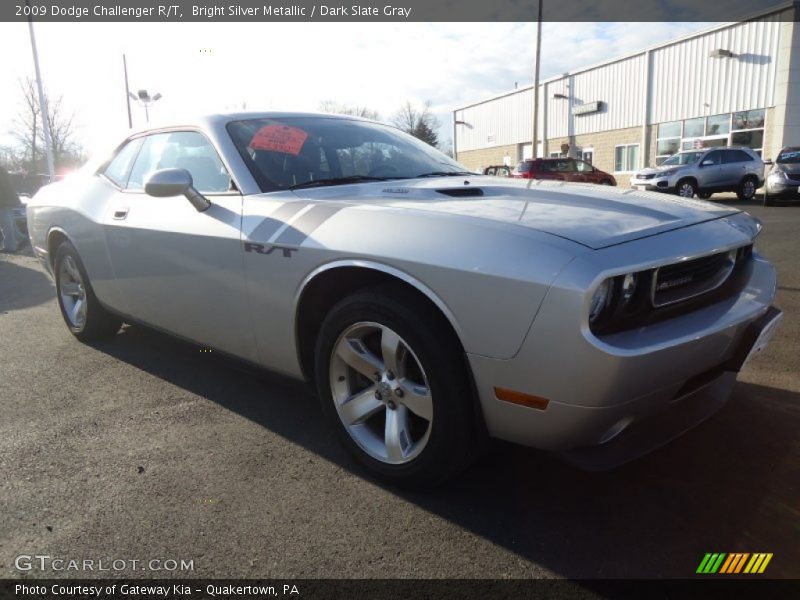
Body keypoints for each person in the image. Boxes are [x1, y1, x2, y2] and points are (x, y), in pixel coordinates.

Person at [0, 165, 26, 253]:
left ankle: (10, 246)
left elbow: (2, 185)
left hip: (4, 200)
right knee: (9, 223)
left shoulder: (1, 171)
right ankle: (21, 239)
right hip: (6, 200)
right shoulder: (2, 170)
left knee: (6, 223)